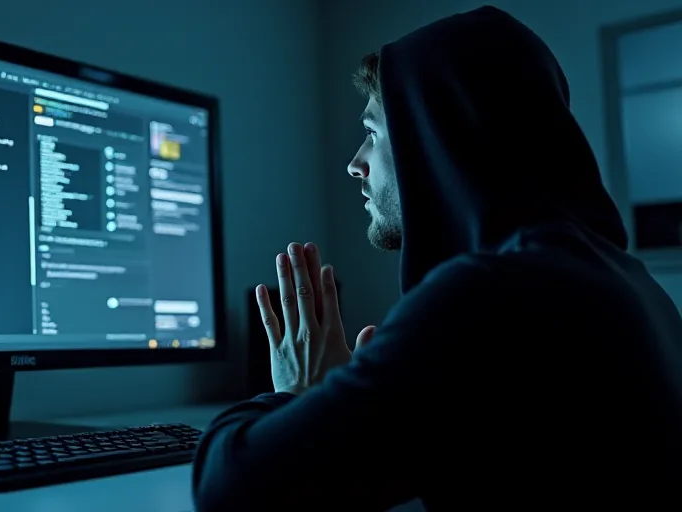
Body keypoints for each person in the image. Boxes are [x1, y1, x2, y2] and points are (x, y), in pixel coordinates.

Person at [191, 6, 682, 511]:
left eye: (374, 133)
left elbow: (229, 492)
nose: (355, 163)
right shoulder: (629, 285)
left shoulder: (490, 299)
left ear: (434, 135)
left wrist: (294, 392)